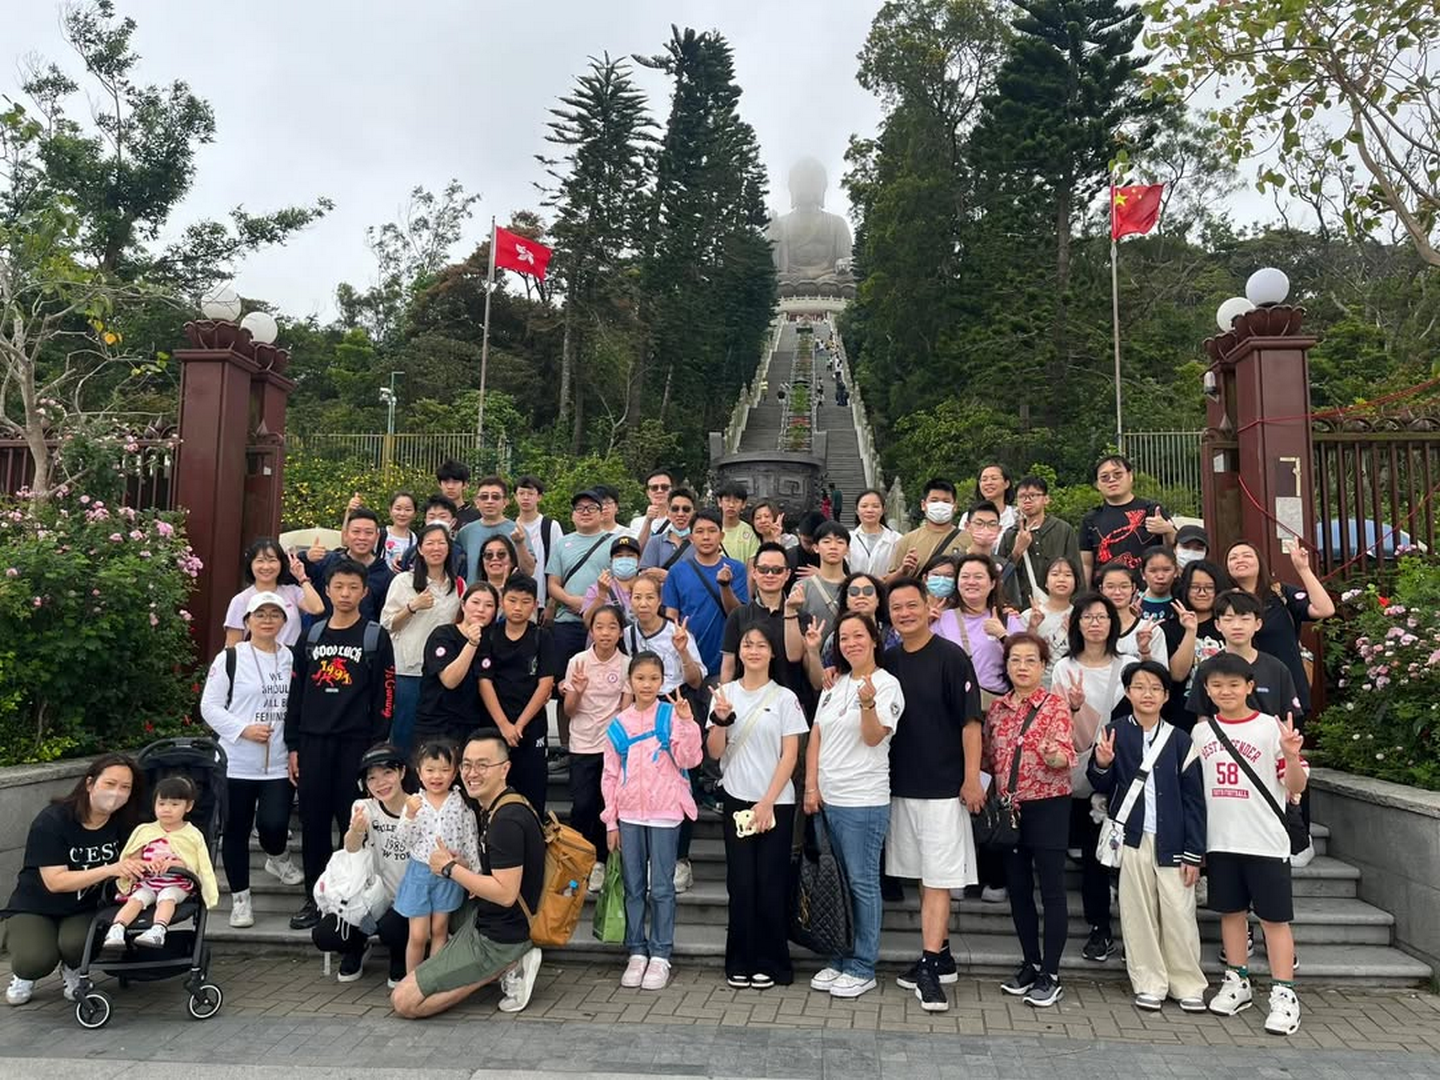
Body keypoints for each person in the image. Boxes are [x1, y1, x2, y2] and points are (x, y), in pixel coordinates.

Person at [1187, 653, 1309, 1037]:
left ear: (1249, 687)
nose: (1225, 691)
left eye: (1234, 684)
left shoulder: (1271, 728)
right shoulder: (1202, 734)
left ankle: (1284, 993)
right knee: (1231, 914)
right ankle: (1237, 981)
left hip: (1266, 841)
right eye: (1217, 685)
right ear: (1207, 690)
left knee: (1274, 919)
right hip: (1222, 841)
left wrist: (1291, 755)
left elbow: (1296, 787)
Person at [390, 731, 546, 1019]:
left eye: (483, 765)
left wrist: (450, 869)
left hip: (498, 936)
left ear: (505, 769)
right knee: (436, 912)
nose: (472, 773)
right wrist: (460, 864)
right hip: (486, 916)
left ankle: (503, 965)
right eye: (467, 765)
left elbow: (505, 893)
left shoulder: (506, 821)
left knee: (404, 1001)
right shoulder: (493, 806)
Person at [883, 577, 984, 1012]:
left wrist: (971, 778)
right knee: (923, 877)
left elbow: (971, 723)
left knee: (939, 878)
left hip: (944, 788)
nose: (905, 614)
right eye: (897, 608)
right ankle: (940, 955)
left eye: (912, 605)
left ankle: (929, 966)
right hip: (901, 786)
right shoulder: (887, 660)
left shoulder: (951, 657)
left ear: (929, 607)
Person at [1089, 660, 1208, 1014]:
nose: (1147, 694)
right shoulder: (1114, 732)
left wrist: (1194, 852)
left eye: (1156, 688)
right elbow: (1100, 784)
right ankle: (1148, 982)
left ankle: (1187, 984)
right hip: (1132, 838)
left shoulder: (1180, 740)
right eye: (1139, 687)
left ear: (1167, 696)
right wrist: (1103, 763)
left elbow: (1194, 801)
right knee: (1137, 913)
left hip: (1174, 839)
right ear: (1128, 692)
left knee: (1179, 913)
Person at [284, 558, 397, 931]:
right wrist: (293, 745)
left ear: (364, 592)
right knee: (314, 823)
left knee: (356, 824)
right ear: (327, 590)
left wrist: (377, 749)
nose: (345, 594)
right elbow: (296, 694)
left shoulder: (375, 637)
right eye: (338, 587)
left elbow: (386, 694)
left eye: (353, 587)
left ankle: (356, 897)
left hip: (357, 745)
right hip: (313, 743)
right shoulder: (312, 636)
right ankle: (316, 898)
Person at [803, 612, 902, 999]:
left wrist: (868, 704)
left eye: (859, 636)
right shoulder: (834, 682)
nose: (851, 643)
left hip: (862, 800)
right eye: (844, 638)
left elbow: (874, 737)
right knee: (837, 883)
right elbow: (817, 735)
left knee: (861, 883)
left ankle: (863, 965)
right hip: (827, 798)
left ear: (874, 639)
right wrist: (811, 786)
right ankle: (839, 956)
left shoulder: (887, 684)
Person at [707, 628, 808, 989]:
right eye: (747, 645)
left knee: (771, 883)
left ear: (772, 653)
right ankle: (739, 960)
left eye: (761, 645)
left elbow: (790, 755)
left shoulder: (785, 698)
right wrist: (720, 720)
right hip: (737, 798)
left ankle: (771, 961)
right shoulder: (724, 694)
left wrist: (767, 803)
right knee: (741, 883)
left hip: (776, 802)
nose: (753, 651)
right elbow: (715, 752)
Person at [1, 755, 145, 1005]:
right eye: (110, 784)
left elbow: (135, 864)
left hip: (86, 906)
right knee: (34, 960)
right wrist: (111, 869)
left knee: (77, 946)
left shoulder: (129, 822)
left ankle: (73, 969)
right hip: (36, 905)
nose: (116, 793)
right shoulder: (53, 820)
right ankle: (24, 973)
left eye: (125, 787)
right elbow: (55, 882)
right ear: (90, 783)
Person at [983, 632, 1076, 1008]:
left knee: (1052, 890)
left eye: (1030, 660)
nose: (1022, 667)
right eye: (1015, 660)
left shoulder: (1055, 706)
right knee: (1019, 889)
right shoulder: (997, 709)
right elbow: (988, 759)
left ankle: (1050, 973)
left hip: (1049, 805)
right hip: (1010, 810)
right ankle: (1031, 963)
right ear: (1006, 665)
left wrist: (1053, 756)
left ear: (1043, 666)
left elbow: (1065, 755)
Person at [201, 591, 303, 930]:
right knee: (236, 831)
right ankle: (241, 899)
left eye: (275, 614)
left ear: (284, 621)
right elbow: (209, 707)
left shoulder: (292, 658)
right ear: (247, 621)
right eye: (260, 614)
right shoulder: (230, 658)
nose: (267, 621)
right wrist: (243, 729)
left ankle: (277, 856)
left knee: (274, 825)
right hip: (237, 761)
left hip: (278, 762)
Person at [602, 656, 703, 991]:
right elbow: (610, 775)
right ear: (629, 681)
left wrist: (687, 722)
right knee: (633, 887)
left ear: (663, 681)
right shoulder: (619, 724)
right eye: (640, 678)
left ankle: (660, 954)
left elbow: (691, 759)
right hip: (629, 814)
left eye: (654, 678)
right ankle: (636, 950)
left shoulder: (671, 715)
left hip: (666, 812)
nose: (647, 684)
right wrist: (611, 821)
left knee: (661, 888)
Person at [1049, 592, 1128, 963]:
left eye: (1102, 617)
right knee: (1093, 854)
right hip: (1078, 766)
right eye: (1088, 617)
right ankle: (1100, 928)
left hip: (1122, 768)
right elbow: (1056, 719)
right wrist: (1074, 706)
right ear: (1076, 624)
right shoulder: (1064, 668)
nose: (1095, 623)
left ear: (1114, 623)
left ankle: (1131, 931)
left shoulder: (1128, 665)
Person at [311, 744, 413, 985]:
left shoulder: (418, 805)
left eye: (387, 773)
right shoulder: (363, 807)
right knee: (326, 934)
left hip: (408, 899)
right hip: (368, 897)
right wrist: (356, 830)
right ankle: (357, 946)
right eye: (372, 778)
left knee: (393, 928)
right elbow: (351, 848)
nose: (381, 783)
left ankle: (399, 956)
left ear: (402, 772)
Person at [102, 775, 219, 951]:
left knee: (167, 896)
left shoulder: (192, 835)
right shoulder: (144, 831)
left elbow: (195, 865)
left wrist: (174, 863)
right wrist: (146, 864)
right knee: (137, 898)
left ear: (188, 806)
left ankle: (158, 930)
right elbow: (132, 859)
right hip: (149, 881)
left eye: (174, 804)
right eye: (162, 804)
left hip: (177, 884)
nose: (167, 809)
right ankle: (117, 928)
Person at [394, 739, 481, 975]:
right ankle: (411, 981)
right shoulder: (415, 803)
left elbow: (470, 839)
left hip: (449, 874)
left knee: (440, 930)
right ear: (419, 772)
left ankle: (433, 979)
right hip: (420, 873)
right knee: (418, 934)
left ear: (454, 773)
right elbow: (403, 839)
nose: (437, 776)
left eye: (444, 769)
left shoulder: (461, 803)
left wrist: (475, 874)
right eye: (430, 770)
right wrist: (409, 816)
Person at [561, 604, 632, 893]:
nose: (605, 633)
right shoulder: (578, 662)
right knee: (583, 805)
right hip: (582, 743)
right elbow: (568, 711)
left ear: (621, 632)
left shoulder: (627, 664)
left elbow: (626, 712)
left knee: (607, 806)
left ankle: (601, 862)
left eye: (612, 627)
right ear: (591, 631)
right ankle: (579, 861)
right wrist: (577, 691)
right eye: (599, 627)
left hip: (611, 748)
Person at [477, 575, 559, 811]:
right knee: (492, 792)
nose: (518, 607)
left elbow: (545, 684)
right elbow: (484, 681)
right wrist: (504, 724)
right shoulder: (489, 635)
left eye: (525, 602)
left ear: (535, 605)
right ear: (502, 601)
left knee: (533, 794)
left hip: (531, 727)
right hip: (495, 724)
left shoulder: (541, 637)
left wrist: (519, 725)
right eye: (512, 600)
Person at [381, 524, 464, 752]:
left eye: (441, 543)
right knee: (405, 736)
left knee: (439, 742)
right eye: (430, 543)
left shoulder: (458, 585)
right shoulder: (403, 581)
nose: (436, 548)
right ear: (419, 549)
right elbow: (387, 624)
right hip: (409, 672)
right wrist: (412, 607)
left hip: (443, 673)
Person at [547, 489, 618, 750]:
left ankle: (607, 746)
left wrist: (595, 603)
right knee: (565, 687)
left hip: (604, 625)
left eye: (591, 508)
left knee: (604, 687)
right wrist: (572, 600)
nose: (585, 512)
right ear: (572, 515)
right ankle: (568, 748)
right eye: (580, 508)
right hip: (567, 623)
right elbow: (552, 584)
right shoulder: (562, 544)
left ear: (602, 513)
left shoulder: (614, 542)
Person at [662, 509, 748, 681]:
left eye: (712, 531)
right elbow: (671, 617)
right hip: (689, 659)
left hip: (726, 661)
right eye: (700, 531)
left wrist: (724, 586)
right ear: (691, 538)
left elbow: (738, 614)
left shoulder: (736, 569)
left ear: (721, 536)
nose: (706, 537)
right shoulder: (677, 572)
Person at [934, 555, 1027, 710]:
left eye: (978, 577)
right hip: (951, 705)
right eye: (965, 577)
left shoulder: (1007, 619)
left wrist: (1002, 635)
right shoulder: (941, 619)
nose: (971, 582)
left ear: (992, 583)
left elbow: (1027, 657)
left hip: (996, 706)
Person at [416, 583, 497, 746]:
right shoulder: (443, 635)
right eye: (475, 602)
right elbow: (450, 680)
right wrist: (471, 644)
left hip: (474, 726)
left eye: (489, 605)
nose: (481, 609)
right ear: (463, 605)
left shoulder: (493, 641)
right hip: (438, 725)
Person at [1079, 454, 1175, 583]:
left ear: (1130, 476)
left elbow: (1177, 548)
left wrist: (1168, 531)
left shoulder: (1151, 510)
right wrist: (1085, 593)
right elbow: (1086, 564)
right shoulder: (1091, 519)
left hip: (1148, 589)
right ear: (1097, 485)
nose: (1112, 480)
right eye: (1104, 477)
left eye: (1118, 474)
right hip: (1107, 590)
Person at [997, 475, 1081, 608]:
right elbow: (1000, 576)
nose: (1027, 500)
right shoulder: (1010, 534)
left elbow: (1077, 572)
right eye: (1022, 496)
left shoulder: (1063, 530)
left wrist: (1077, 609)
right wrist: (1017, 551)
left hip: (1059, 607)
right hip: (1020, 609)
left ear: (1046, 499)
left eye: (1033, 495)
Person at [223, 537, 324, 647]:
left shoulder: (292, 592)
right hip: (256, 657)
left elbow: (317, 608)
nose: (266, 567)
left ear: (281, 564)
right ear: (250, 564)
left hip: (290, 657)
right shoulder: (241, 600)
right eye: (260, 561)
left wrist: (302, 577)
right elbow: (232, 645)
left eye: (272, 561)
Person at [302, 508, 397, 625]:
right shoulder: (327, 562)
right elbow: (287, 575)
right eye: (356, 532)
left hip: (365, 635)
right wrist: (306, 558)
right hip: (323, 633)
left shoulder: (386, 576)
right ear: (346, 534)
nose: (362, 537)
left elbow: (385, 619)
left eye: (368, 533)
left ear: (377, 536)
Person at [457, 476, 536, 587]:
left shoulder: (517, 530)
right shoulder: (465, 533)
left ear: (505, 502)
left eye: (495, 497)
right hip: (475, 595)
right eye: (484, 497)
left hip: (509, 594)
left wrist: (520, 543)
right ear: (477, 502)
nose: (489, 501)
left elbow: (529, 571)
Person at [887, 479, 969, 583]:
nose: (940, 506)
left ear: (955, 506)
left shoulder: (968, 540)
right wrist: (902, 571)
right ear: (923, 505)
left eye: (946, 501)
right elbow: (889, 582)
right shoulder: (907, 541)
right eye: (934, 500)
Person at [1098, 561, 1170, 673]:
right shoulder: (1093, 628)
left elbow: (1161, 675)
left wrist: (1144, 651)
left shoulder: (1151, 630)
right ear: (1101, 589)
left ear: (1133, 588)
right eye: (1110, 586)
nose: (1117, 592)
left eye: (1124, 586)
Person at [1024, 556, 1082, 686]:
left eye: (1068, 575)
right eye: (1055, 574)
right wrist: (1032, 627)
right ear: (1045, 582)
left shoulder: (1082, 617)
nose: (1061, 579)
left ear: (1076, 582)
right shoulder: (1029, 615)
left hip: (1069, 687)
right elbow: (1021, 652)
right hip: (1034, 687)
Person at [513, 475, 564, 615]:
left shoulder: (550, 526)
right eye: (521, 493)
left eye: (530, 494)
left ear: (539, 497)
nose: (525, 498)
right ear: (515, 497)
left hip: (542, 600)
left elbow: (559, 565)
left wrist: (551, 604)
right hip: (513, 600)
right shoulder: (511, 527)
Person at [582, 536, 643, 622]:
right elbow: (588, 621)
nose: (624, 559)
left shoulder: (649, 587)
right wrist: (601, 595)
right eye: (619, 556)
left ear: (639, 560)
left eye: (630, 555)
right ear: (611, 561)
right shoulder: (596, 589)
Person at [640, 488, 698, 575]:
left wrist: (667, 576)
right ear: (668, 513)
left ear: (693, 513)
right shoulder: (655, 542)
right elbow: (645, 575)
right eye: (675, 509)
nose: (680, 514)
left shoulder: (701, 544)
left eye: (686, 509)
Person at [848, 488, 901, 577]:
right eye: (864, 506)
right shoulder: (848, 539)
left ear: (883, 510)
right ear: (857, 511)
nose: (869, 510)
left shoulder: (896, 539)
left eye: (875, 506)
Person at [959, 463, 1017, 534]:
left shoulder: (1016, 515)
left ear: (1006, 484)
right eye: (984, 480)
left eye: (994, 478)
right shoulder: (967, 517)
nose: (988, 483)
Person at [630, 469, 676, 552]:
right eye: (654, 488)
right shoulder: (637, 523)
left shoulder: (679, 519)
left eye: (664, 487)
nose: (659, 491)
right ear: (648, 493)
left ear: (672, 490)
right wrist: (648, 521)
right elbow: (636, 551)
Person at [716, 482, 760, 565]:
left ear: (743, 504)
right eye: (727, 500)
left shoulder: (750, 532)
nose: (731, 505)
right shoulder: (712, 530)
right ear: (719, 502)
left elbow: (751, 567)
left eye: (736, 501)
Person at [380, 491, 419, 571]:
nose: (402, 514)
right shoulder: (380, 534)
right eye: (398, 509)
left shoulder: (415, 539)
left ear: (415, 513)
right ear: (390, 510)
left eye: (408, 510)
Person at [436, 459, 478, 528]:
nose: (450, 487)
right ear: (439, 484)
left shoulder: (476, 517)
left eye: (455, 482)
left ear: (465, 485)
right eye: (446, 482)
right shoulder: (434, 515)